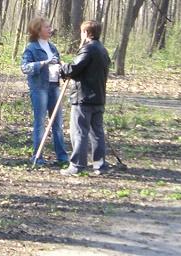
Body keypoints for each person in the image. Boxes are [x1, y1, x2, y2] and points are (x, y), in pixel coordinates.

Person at [59, 20, 110, 176]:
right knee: (97, 132)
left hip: (84, 97)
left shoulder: (88, 49)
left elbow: (74, 68)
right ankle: (99, 164)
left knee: (80, 131)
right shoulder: (103, 50)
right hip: (98, 97)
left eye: (82, 32)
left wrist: (63, 66)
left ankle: (77, 165)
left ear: (87, 33)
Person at [20, 17, 69, 166]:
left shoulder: (53, 48)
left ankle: (62, 157)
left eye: (50, 27)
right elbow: (25, 68)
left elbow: (58, 66)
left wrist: (64, 68)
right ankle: (38, 157)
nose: (50, 29)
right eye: (46, 27)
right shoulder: (31, 48)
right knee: (40, 123)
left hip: (54, 87)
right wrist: (43, 63)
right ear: (37, 30)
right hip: (39, 88)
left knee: (57, 123)